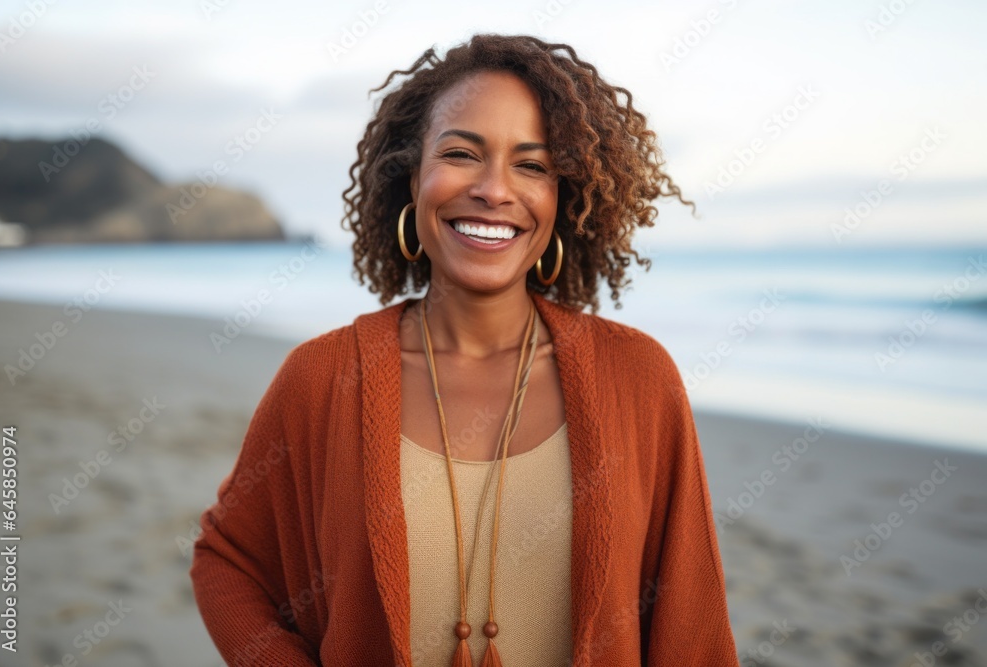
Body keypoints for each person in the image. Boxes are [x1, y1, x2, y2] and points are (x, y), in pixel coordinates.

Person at [190, 33, 740, 666]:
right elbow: (228, 559)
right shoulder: (323, 377)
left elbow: (690, 622)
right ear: (411, 176)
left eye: (531, 166)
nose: (494, 190)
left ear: (564, 199)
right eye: (461, 153)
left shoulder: (638, 378)